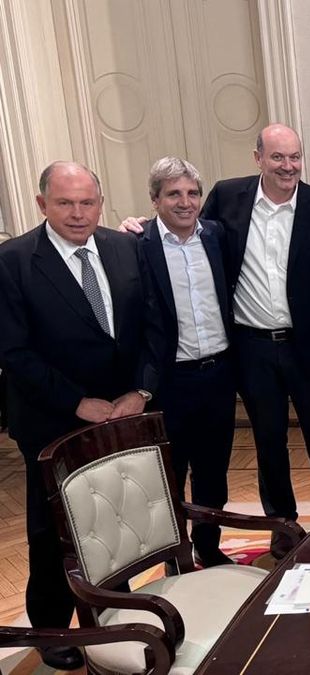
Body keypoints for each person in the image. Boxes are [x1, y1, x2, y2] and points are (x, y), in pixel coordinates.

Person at [0, 162, 158, 670]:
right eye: (65, 202)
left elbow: (153, 326)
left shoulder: (125, 247)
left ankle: (115, 615)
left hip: (122, 414)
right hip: (54, 420)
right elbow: (14, 352)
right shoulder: (13, 261)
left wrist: (141, 389)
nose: (77, 213)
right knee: (56, 533)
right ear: (42, 203)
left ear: (101, 203)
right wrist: (75, 402)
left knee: (118, 518)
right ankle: (50, 630)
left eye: (87, 202)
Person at [199, 124, 310, 554]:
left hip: (309, 348)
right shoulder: (227, 196)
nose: (288, 166)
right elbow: (190, 237)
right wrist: (141, 226)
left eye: (294, 157)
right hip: (251, 348)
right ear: (258, 159)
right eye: (277, 157)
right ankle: (283, 528)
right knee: (268, 442)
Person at [135, 157, 237, 567]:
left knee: (213, 472)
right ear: (155, 200)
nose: (185, 202)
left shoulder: (216, 236)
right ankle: (175, 559)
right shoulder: (136, 244)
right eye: (174, 194)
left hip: (218, 374)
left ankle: (208, 551)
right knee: (170, 476)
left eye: (193, 193)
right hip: (169, 382)